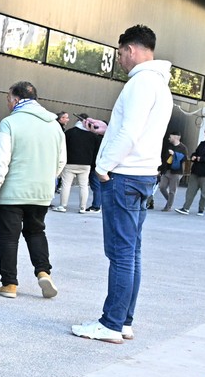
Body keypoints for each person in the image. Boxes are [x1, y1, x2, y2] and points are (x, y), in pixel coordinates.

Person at [73, 25, 172, 344]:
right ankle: (124, 321)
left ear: (130, 49)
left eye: (119, 52)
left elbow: (130, 134)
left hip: (125, 176)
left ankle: (111, 323)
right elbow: (136, 131)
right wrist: (107, 129)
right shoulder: (159, 84)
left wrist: (102, 166)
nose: (118, 59)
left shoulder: (140, 84)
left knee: (120, 253)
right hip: (143, 175)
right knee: (132, 252)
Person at [0, 82, 65, 299]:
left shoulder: (9, 123)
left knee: (8, 238)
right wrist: (47, 178)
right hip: (41, 191)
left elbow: (1, 160)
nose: (8, 103)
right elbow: (61, 161)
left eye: (8, 98)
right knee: (36, 231)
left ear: (17, 99)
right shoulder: (55, 125)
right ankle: (43, 272)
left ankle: (9, 284)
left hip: (12, 191)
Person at [57, 115, 101, 212]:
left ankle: (62, 206)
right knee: (84, 186)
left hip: (70, 163)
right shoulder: (93, 136)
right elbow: (96, 151)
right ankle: (82, 207)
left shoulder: (69, 133)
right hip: (86, 165)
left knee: (66, 185)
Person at [178, 126, 205, 215]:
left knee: (204, 193)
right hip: (196, 171)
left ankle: (201, 210)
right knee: (190, 190)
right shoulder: (202, 144)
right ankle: (186, 208)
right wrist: (194, 156)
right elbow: (196, 152)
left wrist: (201, 159)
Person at [156, 131, 189, 212]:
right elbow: (164, 159)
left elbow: (185, 158)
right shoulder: (169, 146)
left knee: (172, 190)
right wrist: (160, 169)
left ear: (175, 137)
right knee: (162, 187)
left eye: (170, 137)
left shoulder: (183, 148)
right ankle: (169, 201)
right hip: (166, 170)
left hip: (176, 172)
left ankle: (168, 206)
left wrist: (174, 154)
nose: (169, 138)